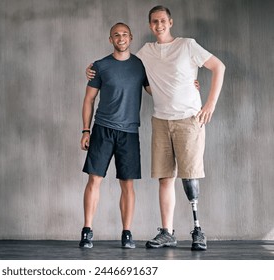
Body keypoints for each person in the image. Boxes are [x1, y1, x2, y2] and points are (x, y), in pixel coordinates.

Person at [86, 6, 225, 251]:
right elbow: (124, 64)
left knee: (189, 177)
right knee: (165, 178)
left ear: (170, 22)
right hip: (160, 120)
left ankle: (198, 230)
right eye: (154, 21)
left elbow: (218, 67)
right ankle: (167, 232)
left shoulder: (187, 45)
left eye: (162, 20)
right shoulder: (145, 53)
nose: (158, 25)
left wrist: (209, 103)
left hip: (187, 119)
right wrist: (92, 69)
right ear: (149, 25)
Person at [79, 22, 150, 249]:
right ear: (111, 39)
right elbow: (89, 100)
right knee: (94, 180)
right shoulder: (100, 66)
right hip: (102, 129)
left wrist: (190, 85)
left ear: (131, 38)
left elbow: (159, 89)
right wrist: (85, 130)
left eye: (125, 35)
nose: (121, 38)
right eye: (116, 35)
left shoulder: (141, 66)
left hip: (129, 132)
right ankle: (87, 231)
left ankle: (127, 233)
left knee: (127, 184)